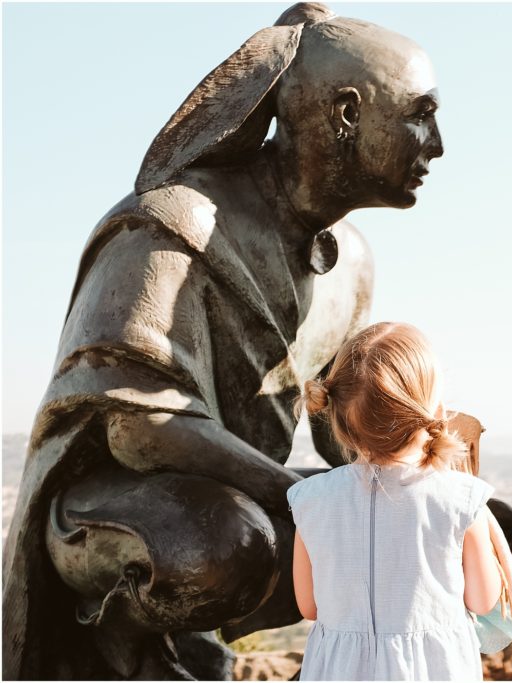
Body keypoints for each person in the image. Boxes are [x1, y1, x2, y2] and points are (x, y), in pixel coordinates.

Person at [2, 3, 446, 679]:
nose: (435, 143)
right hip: (116, 510)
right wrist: (315, 501)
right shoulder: (171, 226)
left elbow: (340, 430)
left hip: (239, 499)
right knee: (226, 541)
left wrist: (431, 488)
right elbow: (140, 428)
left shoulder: (350, 261)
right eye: (420, 113)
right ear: (348, 113)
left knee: (398, 530)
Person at [287, 322, 512, 681]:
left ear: (339, 417)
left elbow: (309, 606)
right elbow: (484, 601)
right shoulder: (459, 500)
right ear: (434, 409)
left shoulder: (310, 500)